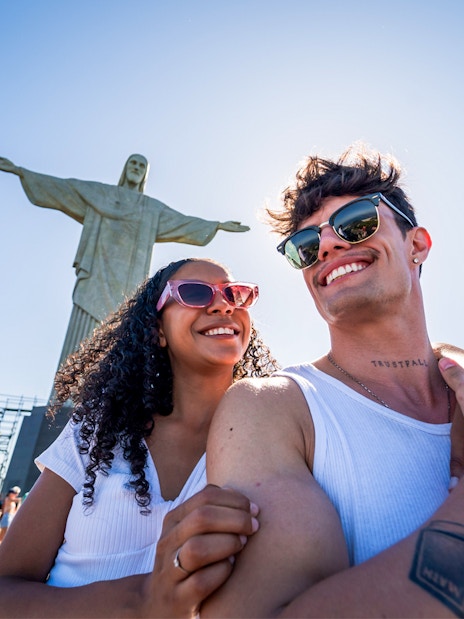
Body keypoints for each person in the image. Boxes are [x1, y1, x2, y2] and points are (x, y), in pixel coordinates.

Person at [202, 144, 464, 618]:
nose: (326, 246)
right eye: (304, 247)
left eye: (357, 222)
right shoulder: (275, 408)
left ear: (417, 245)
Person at [0, 257, 279, 618]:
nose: (223, 303)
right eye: (195, 293)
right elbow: (7, 589)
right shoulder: (97, 433)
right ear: (158, 330)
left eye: (236, 294)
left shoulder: (275, 436)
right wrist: (142, 599)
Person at [0, 155, 250, 368]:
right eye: (133, 163)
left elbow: (181, 222)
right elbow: (64, 188)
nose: (136, 168)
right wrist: (20, 172)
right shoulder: (101, 194)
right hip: (96, 276)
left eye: (141, 166)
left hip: (127, 282)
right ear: (125, 168)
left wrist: (216, 226)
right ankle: (64, 400)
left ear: (145, 175)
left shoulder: (150, 209)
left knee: (122, 328)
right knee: (84, 331)